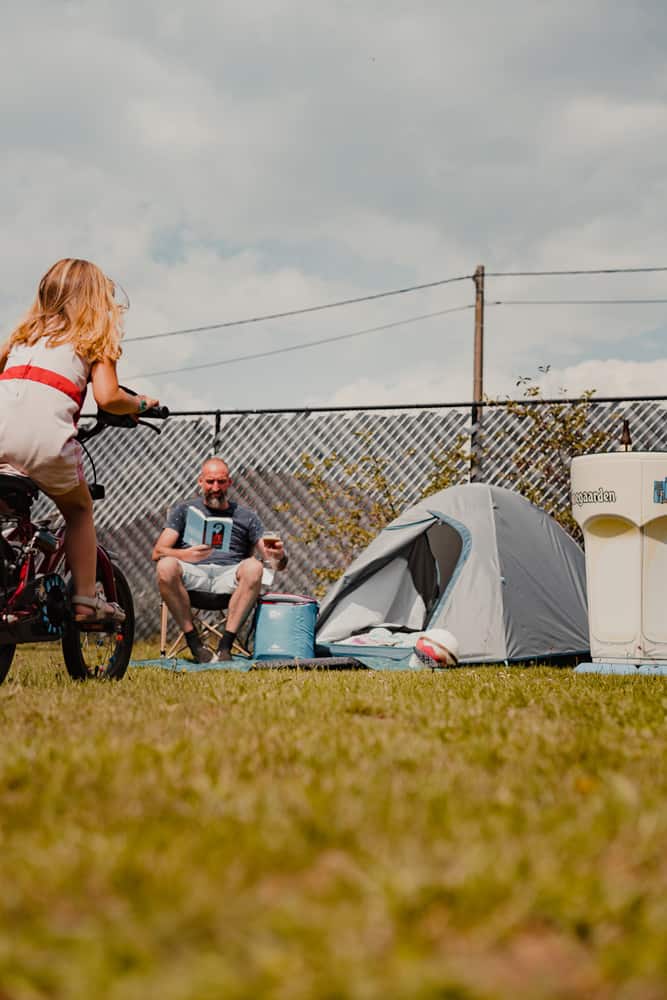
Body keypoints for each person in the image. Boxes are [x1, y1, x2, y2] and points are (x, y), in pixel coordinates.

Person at [0, 258, 159, 623]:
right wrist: (141, 403)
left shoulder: (22, 336)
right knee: (79, 509)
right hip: (44, 443)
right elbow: (108, 397)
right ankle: (86, 600)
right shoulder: (94, 339)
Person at [152, 457, 288, 662]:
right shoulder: (184, 511)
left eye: (221, 482)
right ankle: (196, 646)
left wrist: (279, 556)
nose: (215, 487)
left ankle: (225, 647)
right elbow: (158, 552)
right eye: (210, 482)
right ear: (200, 482)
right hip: (192, 574)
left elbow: (277, 564)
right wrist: (185, 555)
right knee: (165, 565)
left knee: (254, 567)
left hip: (229, 577)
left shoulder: (247, 516)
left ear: (229, 483)